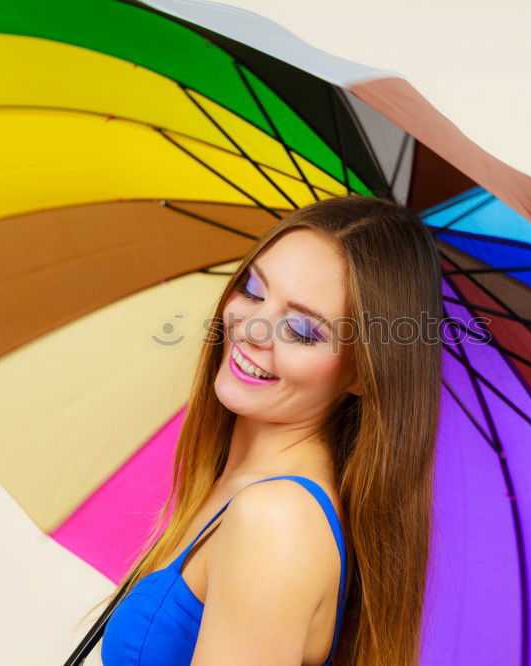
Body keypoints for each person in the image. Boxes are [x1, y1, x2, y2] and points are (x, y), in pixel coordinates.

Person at [98, 194, 443, 666]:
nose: (252, 329)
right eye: (254, 290)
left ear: (364, 373)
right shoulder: (231, 485)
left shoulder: (278, 520)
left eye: (302, 330)